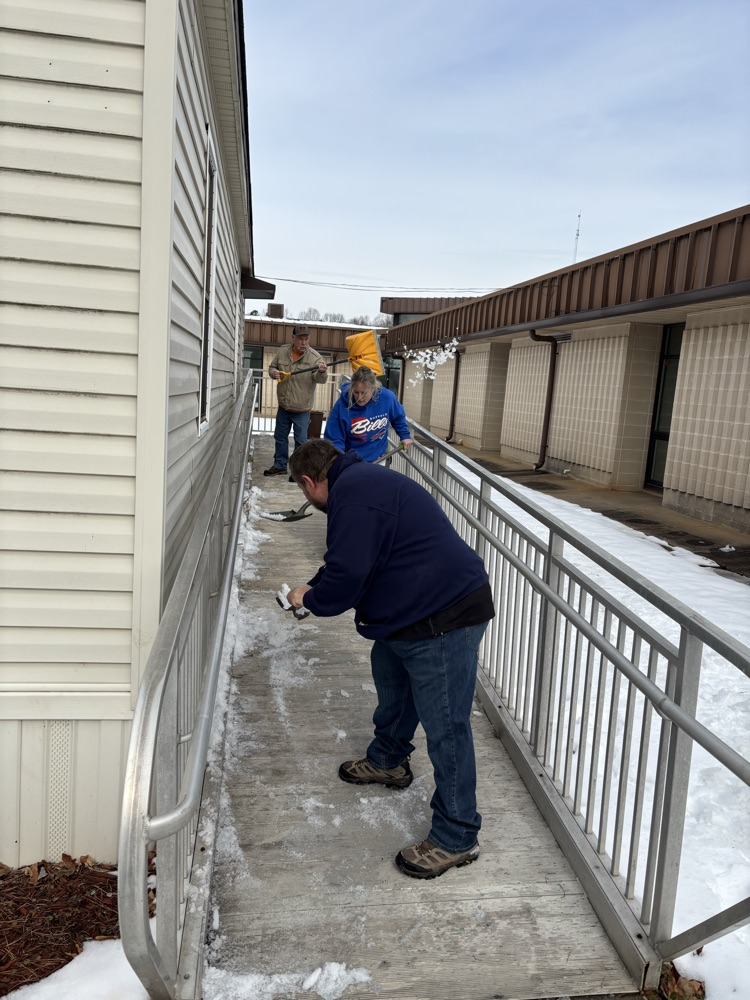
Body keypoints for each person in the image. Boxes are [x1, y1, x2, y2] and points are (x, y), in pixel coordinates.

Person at [287, 439, 495, 880]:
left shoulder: (355, 498)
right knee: (393, 682)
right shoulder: (358, 484)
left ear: (309, 482)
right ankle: (388, 761)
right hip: (412, 610)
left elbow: (344, 580)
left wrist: (313, 598)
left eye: (303, 492)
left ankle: (457, 835)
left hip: (445, 614)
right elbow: (351, 560)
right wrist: (312, 585)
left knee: (447, 729)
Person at [264, 326, 328, 476]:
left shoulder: (315, 358)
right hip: (284, 406)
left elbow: (320, 380)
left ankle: (298, 472)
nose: (303, 342)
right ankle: (280, 465)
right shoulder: (282, 351)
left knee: (301, 442)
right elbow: (273, 366)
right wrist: (273, 372)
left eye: (306, 339)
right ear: (293, 338)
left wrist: (322, 371)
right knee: (280, 438)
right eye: (300, 339)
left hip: (302, 409)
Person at [323, 367, 412, 462]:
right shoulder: (341, 406)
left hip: (380, 458)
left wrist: (405, 435)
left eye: (364, 393)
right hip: (352, 461)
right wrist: (340, 461)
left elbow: (398, 416)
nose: (359, 397)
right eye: (356, 392)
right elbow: (334, 438)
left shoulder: (387, 398)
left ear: (373, 388)